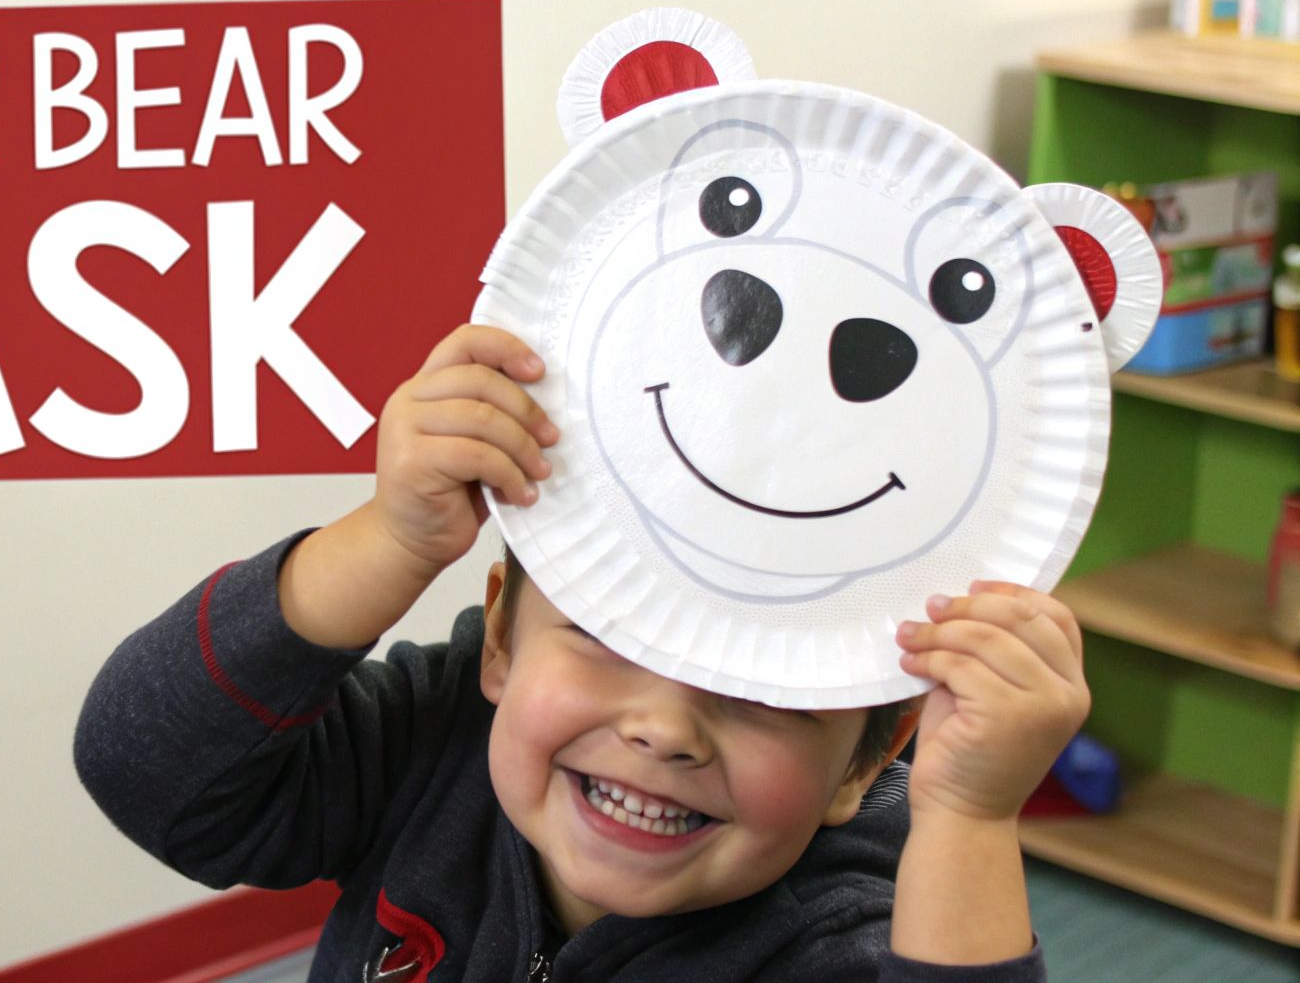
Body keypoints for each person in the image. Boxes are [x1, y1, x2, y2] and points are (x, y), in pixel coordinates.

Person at [77, 324, 1085, 981]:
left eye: (764, 691)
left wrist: (966, 818)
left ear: (865, 762)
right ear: (502, 639)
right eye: (606, 636)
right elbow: (147, 764)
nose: (661, 727)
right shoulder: (434, 745)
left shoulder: (836, 940)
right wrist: (388, 542)